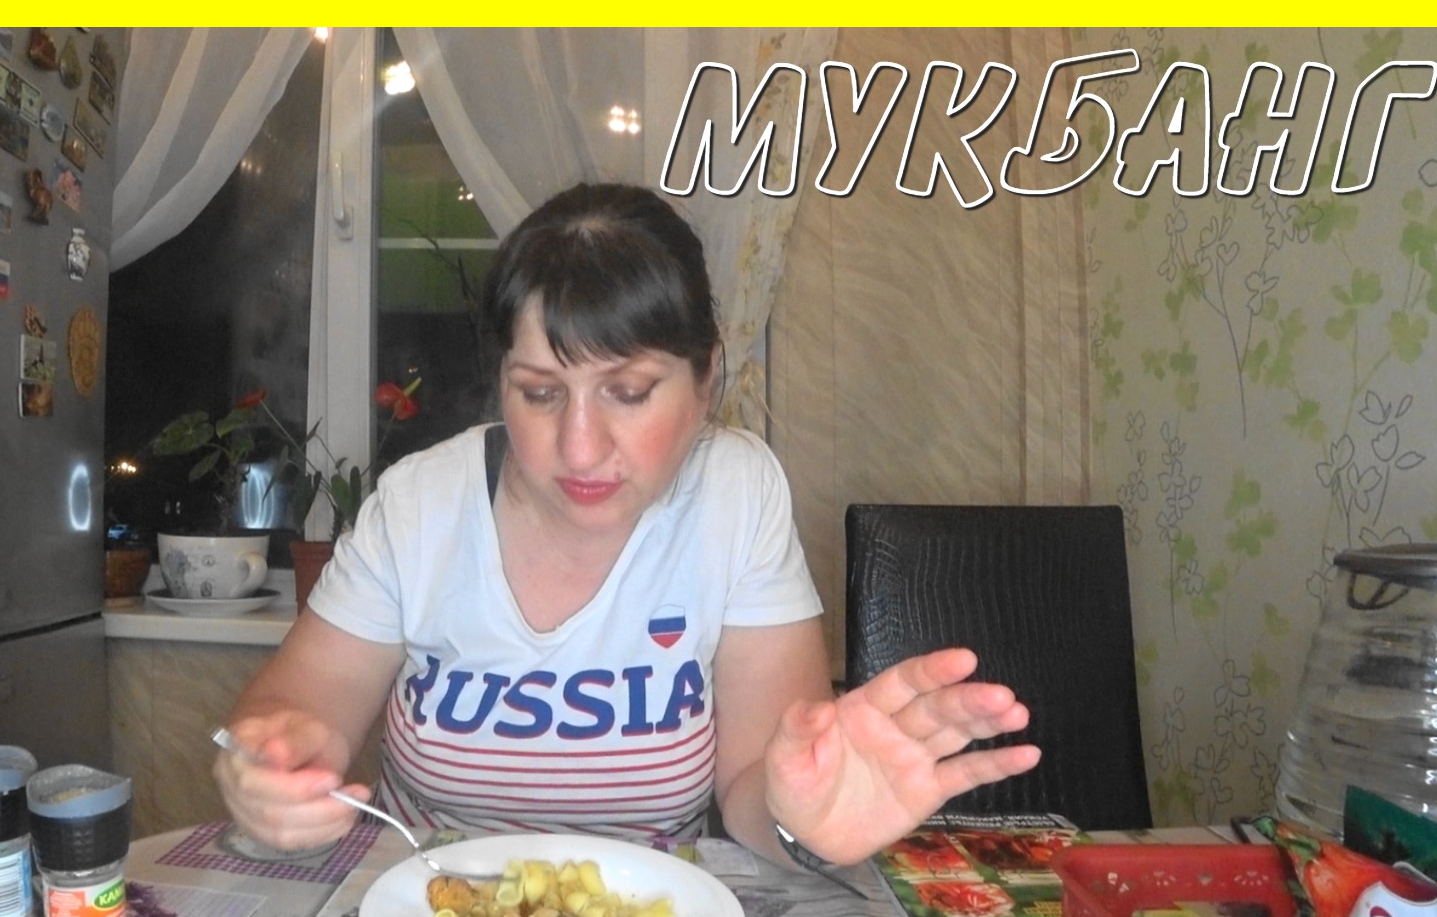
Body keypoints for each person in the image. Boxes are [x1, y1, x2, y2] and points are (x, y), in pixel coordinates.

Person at [214, 182, 1039, 872]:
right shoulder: (419, 504)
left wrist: (802, 818)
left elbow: (755, 791)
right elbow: (299, 706)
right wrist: (271, 766)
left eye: (630, 392)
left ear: (706, 380)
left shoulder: (735, 494)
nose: (580, 447)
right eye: (540, 393)